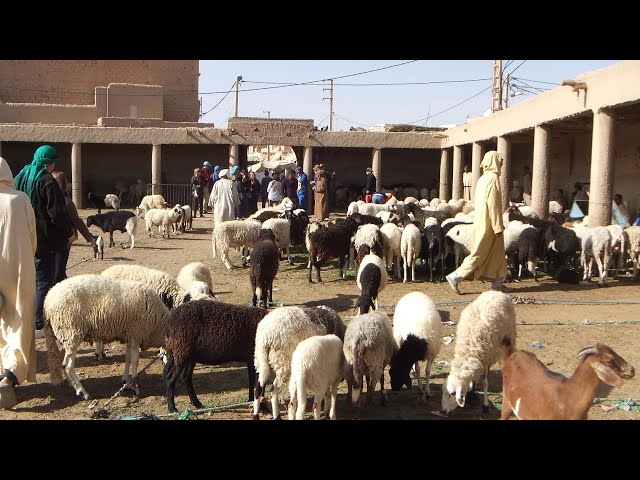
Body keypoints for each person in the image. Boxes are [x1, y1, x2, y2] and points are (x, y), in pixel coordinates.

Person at [14, 145, 74, 339]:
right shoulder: (46, 181)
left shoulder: (23, 175)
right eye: (52, 161)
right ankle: (37, 322)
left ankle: (24, 316)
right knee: (43, 280)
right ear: (49, 162)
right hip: (43, 239)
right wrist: (68, 233)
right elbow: (57, 213)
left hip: (23, 235)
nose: (53, 165)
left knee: (27, 278)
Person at [0, 157, 38, 409]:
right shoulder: (20, 199)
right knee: (19, 319)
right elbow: (33, 238)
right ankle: (10, 374)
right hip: (19, 271)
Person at [446, 151, 510, 295]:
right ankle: (455, 276)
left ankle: (498, 282)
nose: (501, 163)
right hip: (489, 224)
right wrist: (497, 225)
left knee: (498, 253)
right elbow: (492, 204)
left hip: (481, 221)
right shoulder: (493, 179)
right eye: (500, 160)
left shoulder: (482, 179)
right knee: (479, 253)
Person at [51, 171, 97, 284]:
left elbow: (77, 221)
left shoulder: (57, 201)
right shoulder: (65, 202)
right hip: (61, 240)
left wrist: (89, 238)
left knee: (57, 272)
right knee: (58, 272)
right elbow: (77, 221)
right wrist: (90, 239)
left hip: (55, 240)